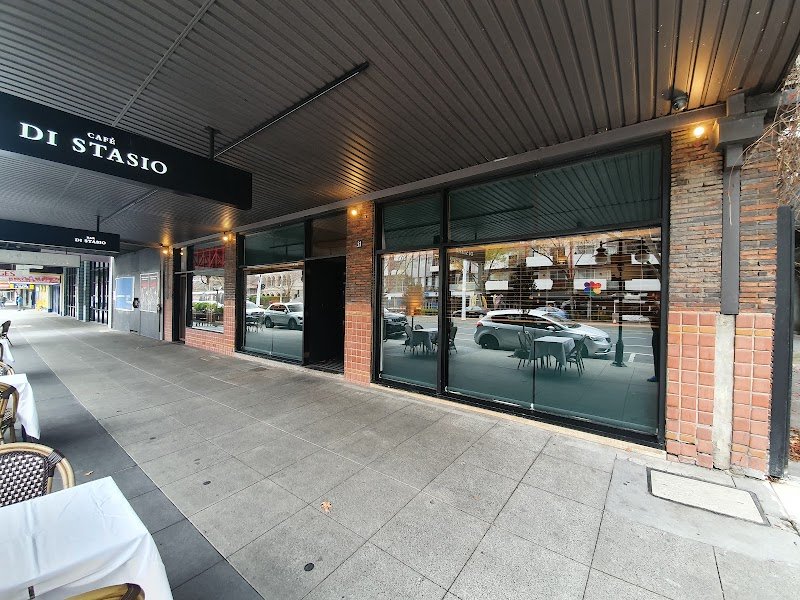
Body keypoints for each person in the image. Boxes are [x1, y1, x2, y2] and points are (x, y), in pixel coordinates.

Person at [646, 293, 660, 382]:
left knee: (657, 355)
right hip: (656, 332)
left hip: (658, 333)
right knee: (656, 355)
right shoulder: (655, 309)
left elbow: (656, 320)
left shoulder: (658, 309)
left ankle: (658, 375)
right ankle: (657, 374)